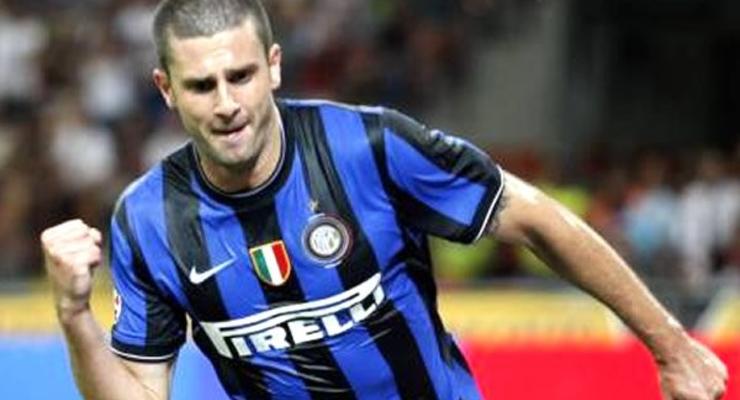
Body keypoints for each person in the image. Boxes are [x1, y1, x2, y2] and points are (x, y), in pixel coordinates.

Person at [40, 1, 728, 399]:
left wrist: (669, 345)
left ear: (274, 67)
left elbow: (536, 217)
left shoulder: (370, 147)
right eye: (201, 86)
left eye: (241, 75)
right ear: (165, 89)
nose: (226, 104)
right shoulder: (148, 220)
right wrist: (74, 317)